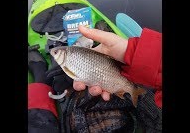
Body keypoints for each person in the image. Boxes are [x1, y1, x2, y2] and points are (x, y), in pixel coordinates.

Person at [28, 25, 162, 132]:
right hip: (108, 73)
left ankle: (38, 69)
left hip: (108, 72)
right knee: (95, 89)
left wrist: (130, 51)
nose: (54, 52)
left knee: (92, 89)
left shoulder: (69, 60)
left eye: (56, 52)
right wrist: (128, 51)